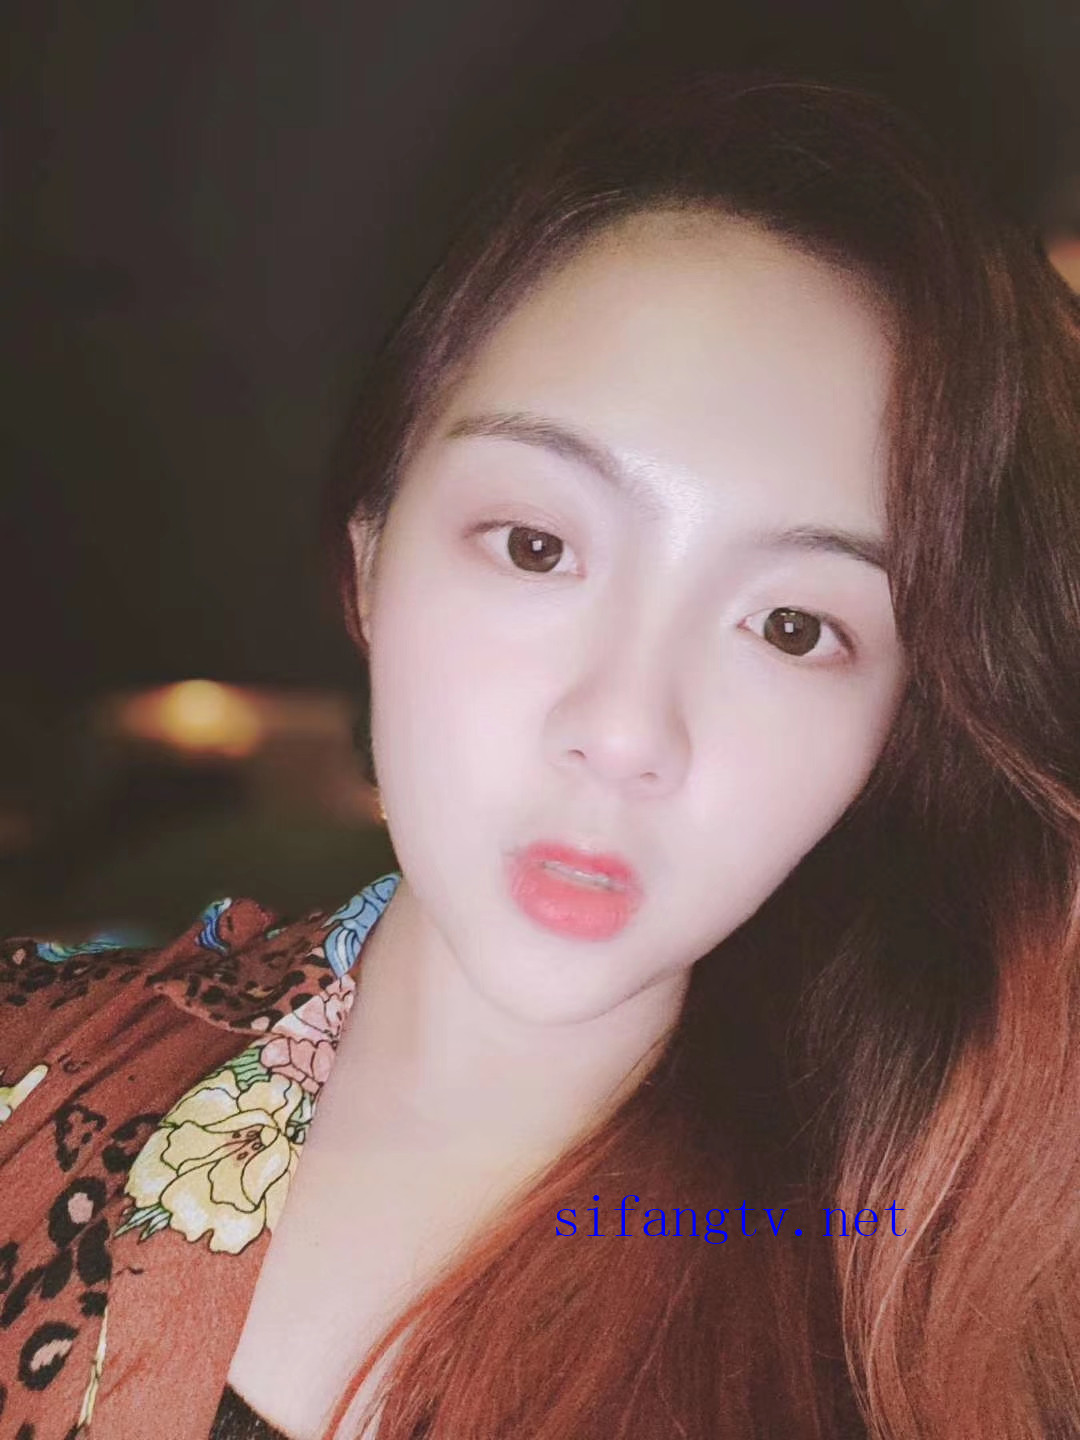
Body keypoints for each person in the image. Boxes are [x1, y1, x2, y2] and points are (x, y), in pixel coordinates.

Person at [2, 70, 1078, 1440]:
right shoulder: (33, 1066)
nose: (625, 733)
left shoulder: (930, 1329)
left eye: (793, 627)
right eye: (536, 545)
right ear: (371, 560)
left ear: (899, 720)